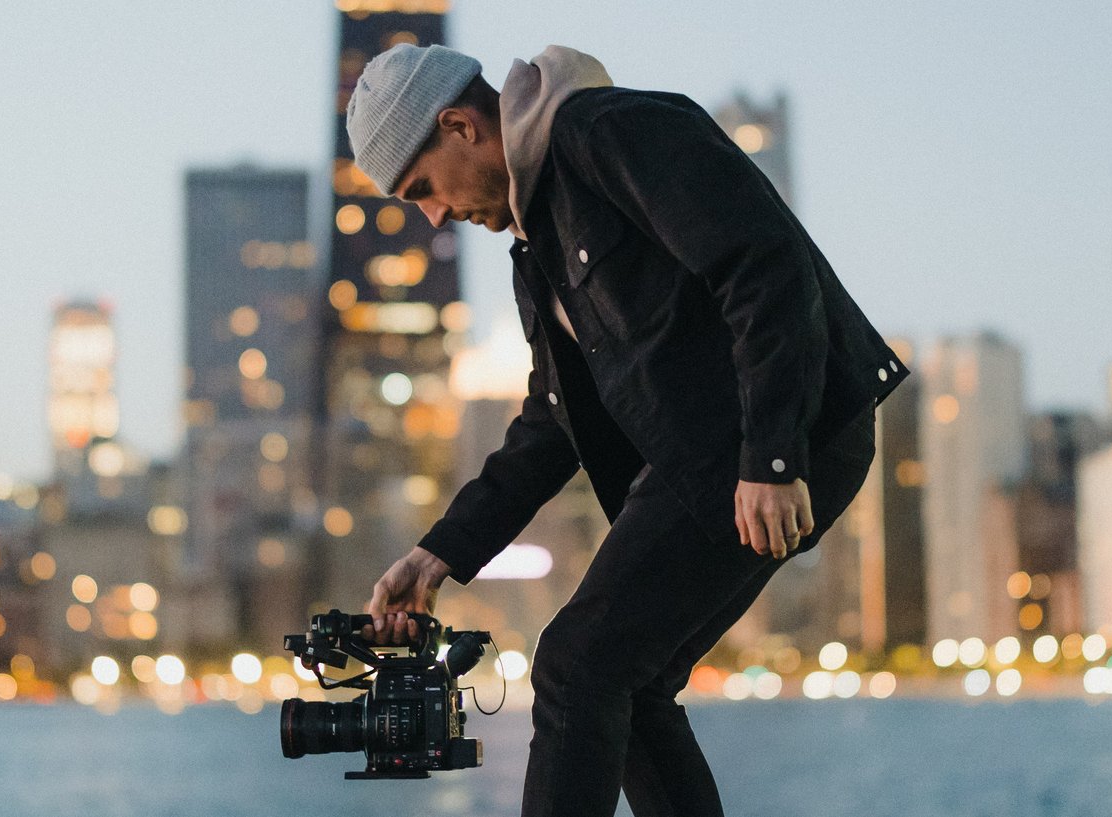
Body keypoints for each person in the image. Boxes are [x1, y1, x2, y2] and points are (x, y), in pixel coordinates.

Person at [346, 43, 911, 816]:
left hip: (778, 438)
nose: (435, 216)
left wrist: (773, 457)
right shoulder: (536, 243)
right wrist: (438, 552)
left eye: (422, 189)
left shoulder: (610, 132)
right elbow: (551, 422)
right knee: (625, 684)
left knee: (579, 665)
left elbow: (764, 262)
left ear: (459, 126)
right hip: (708, 460)